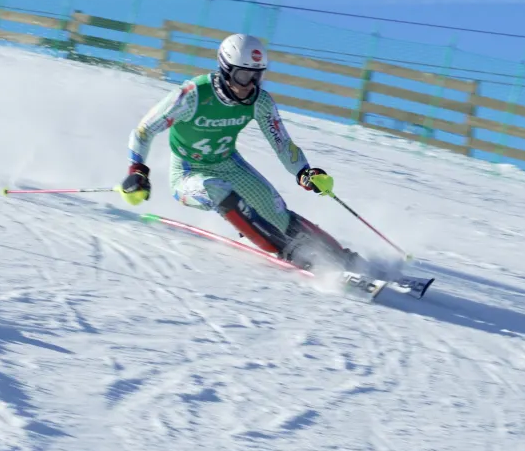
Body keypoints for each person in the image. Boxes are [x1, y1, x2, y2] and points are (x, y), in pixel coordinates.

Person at [116, 33, 366, 273]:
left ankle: (345, 259)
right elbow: (143, 131)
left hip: (228, 164)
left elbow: (281, 143)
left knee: (278, 214)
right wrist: (137, 170)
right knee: (215, 189)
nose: (250, 85)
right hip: (187, 172)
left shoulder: (260, 102)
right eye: (243, 75)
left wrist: (304, 172)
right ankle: (288, 252)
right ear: (225, 70)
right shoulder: (193, 95)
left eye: (257, 76)